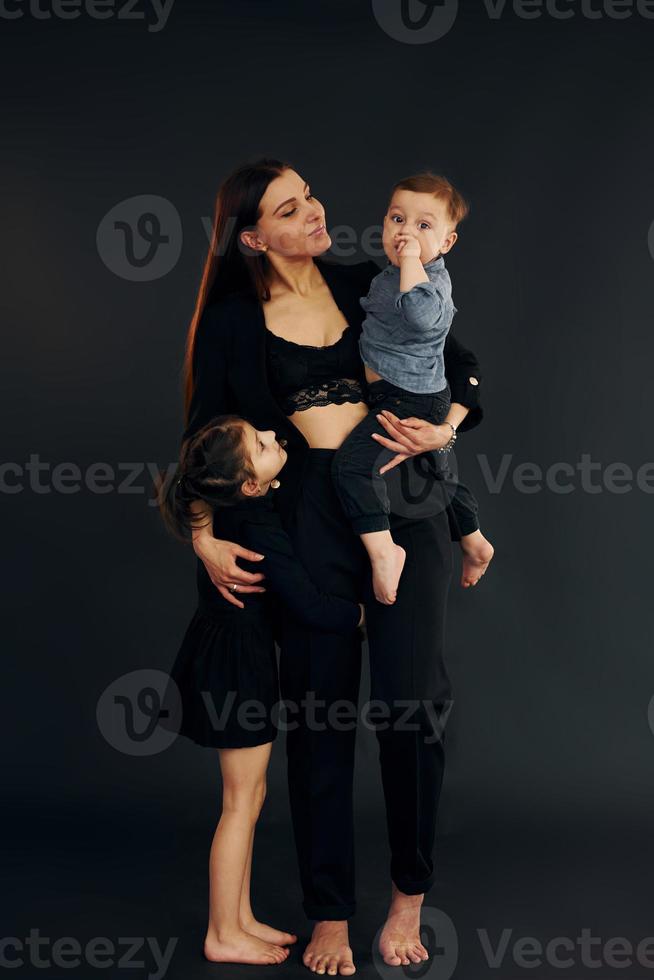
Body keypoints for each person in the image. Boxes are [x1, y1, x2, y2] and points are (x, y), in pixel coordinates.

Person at [182, 158, 486, 973]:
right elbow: (205, 441)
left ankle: (408, 897)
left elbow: (463, 366)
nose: (315, 211)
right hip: (310, 524)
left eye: (310, 193)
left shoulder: (367, 281)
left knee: (412, 708)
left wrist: (447, 428)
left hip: (403, 502)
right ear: (254, 237)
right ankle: (328, 911)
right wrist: (205, 537)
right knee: (319, 721)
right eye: (290, 207)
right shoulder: (235, 321)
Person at [158, 415, 365, 966]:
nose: (277, 437)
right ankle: (222, 932)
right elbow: (307, 604)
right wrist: (363, 614)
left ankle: (241, 917)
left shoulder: (240, 506)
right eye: (263, 444)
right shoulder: (256, 524)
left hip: (230, 656)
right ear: (250, 483)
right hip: (235, 667)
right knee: (240, 802)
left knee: (251, 799)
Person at [331, 172, 494, 604]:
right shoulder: (389, 274)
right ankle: (474, 538)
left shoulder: (429, 283)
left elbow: (423, 319)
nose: (405, 233)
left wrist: (410, 264)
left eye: (424, 226)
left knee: (352, 466)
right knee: (435, 472)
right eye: (397, 219)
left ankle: (384, 551)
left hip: (407, 395)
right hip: (406, 392)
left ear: (446, 243)